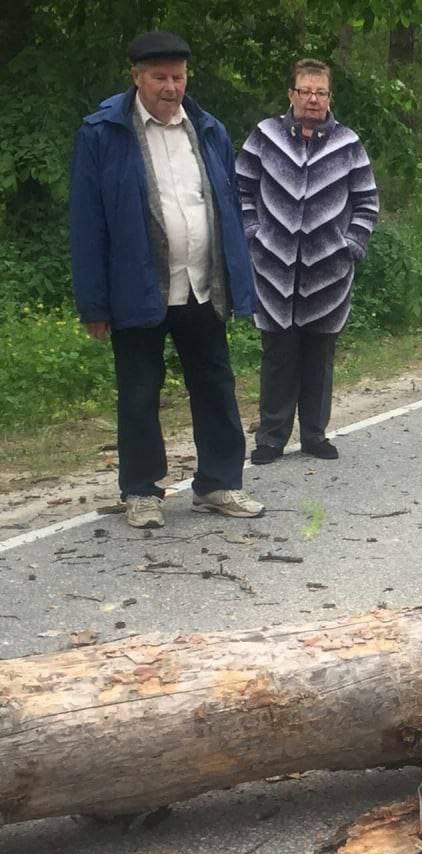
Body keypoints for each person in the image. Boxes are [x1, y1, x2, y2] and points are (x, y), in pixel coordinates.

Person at [69, 31, 264, 530]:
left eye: (177, 77)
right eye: (159, 77)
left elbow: (225, 207)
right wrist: (93, 304)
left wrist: (238, 283)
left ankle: (219, 483)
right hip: (136, 286)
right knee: (138, 390)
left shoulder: (208, 129)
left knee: (216, 383)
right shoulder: (102, 133)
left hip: (202, 283)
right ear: (136, 78)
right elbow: (87, 224)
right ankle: (141, 490)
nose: (170, 87)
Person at [236, 58, 380, 465]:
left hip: (329, 272)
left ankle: (315, 434)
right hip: (273, 268)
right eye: (306, 91)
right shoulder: (264, 137)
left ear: (329, 96)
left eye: (321, 92)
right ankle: (271, 437)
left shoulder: (347, 144)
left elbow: (367, 200)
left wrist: (353, 242)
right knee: (278, 354)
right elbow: (241, 188)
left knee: (319, 354)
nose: (313, 99)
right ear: (291, 94)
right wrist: (252, 232)